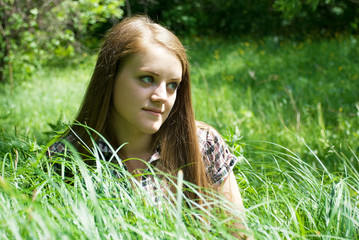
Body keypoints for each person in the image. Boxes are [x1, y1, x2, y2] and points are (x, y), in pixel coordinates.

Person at [49, 15, 252, 238]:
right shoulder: (69, 156)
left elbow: (239, 235)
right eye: (147, 78)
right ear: (110, 77)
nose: (161, 97)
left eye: (172, 85)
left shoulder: (202, 144)